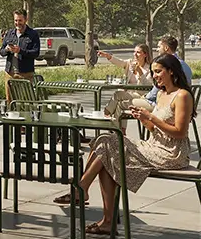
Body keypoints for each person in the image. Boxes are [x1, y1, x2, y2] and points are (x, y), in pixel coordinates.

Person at [55, 54, 195, 235]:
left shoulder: (182, 95)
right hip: (154, 145)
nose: (155, 76)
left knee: (108, 142)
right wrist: (145, 120)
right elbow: (156, 129)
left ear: (171, 71)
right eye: (153, 73)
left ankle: (81, 188)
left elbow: (180, 132)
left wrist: (150, 116)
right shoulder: (161, 94)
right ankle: (106, 220)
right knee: (105, 146)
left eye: (159, 72)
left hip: (172, 154)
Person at [0, 9, 39, 101]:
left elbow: (36, 53)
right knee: (10, 102)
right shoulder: (9, 33)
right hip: (10, 74)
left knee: (25, 102)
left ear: (25, 19)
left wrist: (20, 51)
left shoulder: (33, 34)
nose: (17, 23)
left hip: (26, 74)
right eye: (15, 20)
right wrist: (7, 49)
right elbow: (1, 52)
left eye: (20, 20)